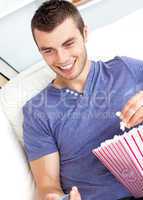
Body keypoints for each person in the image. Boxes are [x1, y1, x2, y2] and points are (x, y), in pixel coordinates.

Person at [23, 0, 143, 200]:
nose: (61, 59)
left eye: (68, 44)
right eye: (48, 50)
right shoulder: (37, 111)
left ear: (85, 34)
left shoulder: (125, 69)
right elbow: (47, 186)